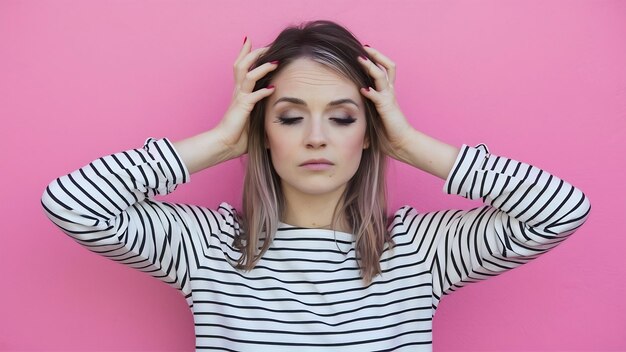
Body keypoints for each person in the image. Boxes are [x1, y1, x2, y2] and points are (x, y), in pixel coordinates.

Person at [41, 20, 591, 351]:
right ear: (264, 130)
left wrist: (408, 143)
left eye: (343, 117)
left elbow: (560, 211)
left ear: (368, 132)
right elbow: (71, 204)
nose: (316, 138)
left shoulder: (424, 253)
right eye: (289, 117)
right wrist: (222, 140)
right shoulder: (202, 247)